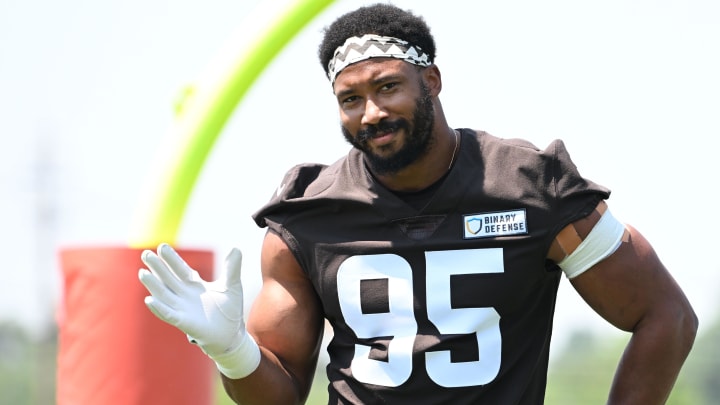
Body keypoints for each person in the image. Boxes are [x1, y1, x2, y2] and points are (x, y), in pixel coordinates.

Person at [138, 3, 698, 404]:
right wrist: (233, 349)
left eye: (387, 87)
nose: (371, 113)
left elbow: (664, 315)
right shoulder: (308, 215)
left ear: (430, 81)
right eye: (350, 99)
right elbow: (278, 393)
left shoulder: (529, 186)